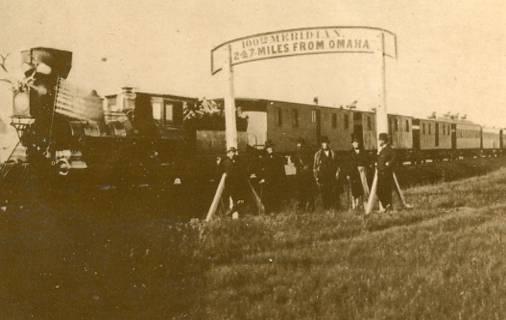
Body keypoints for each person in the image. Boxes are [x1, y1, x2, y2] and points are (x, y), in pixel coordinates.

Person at [313, 136, 340, 211]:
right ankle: (326, 209)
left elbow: (337, 165)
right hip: (322, 177)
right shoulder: (317, 154)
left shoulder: (333, 153)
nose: (324, 145)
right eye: (323, 143)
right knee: (324, 193)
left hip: (331, 176)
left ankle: (332, 208)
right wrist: (316, 177)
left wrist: (337, 173)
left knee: (332, 192)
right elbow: (315, 167)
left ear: (328, 143)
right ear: (321, 144)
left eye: (326, 143)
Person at [258, 140, 286, 213]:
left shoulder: (277, 157)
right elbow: (263, 169)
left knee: (274, 195)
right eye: (268, 148)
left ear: (272, 148)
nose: (269, 149)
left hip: (274, 180)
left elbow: (280, 170)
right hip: (269, 180)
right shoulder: (265, 158)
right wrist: (263, 178)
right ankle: (269, 210)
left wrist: (281, 179)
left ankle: (275, 210)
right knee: (268, 195)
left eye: (270, 147)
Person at [346, 136, 371, 210]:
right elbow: (347, 164)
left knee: (364, 190)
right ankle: (355, 206)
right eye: (354, 143)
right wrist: (348, 174)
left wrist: (364, 168)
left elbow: (367, 162)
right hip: (354, 174)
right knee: (355, 190)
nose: (355, 144)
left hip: (362, 174)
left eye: (356, 143)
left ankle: (365, 205)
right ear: (352, 144)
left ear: (359, 144)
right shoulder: (350, 153)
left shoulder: (363, 152)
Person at [221, 146, 247, 215]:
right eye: (230, 152)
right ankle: (227, 211)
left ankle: (234, 211)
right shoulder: (226, 161)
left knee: (236, 198)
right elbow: (224, 171)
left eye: (233, 152)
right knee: (226, 196)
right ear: (228, 153)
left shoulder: (235, 161)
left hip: (235, 183)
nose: (232, 154)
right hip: (229, 182)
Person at [292, 138, 315, 212]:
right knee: (303, 190)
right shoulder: (297, 152)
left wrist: (307, 166)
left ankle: (308, 206)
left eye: (299, 144)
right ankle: (304, 205)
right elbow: (294, 160)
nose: (298, 145)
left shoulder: (304, 151)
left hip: (305, 174)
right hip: (301, 174)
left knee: (306, 190)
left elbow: (311, 161)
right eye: (298, 144)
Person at [376, 132, 397, 212]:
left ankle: (387, 207)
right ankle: (386, 206)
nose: (379, 142)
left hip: (386, 173)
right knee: (379, 191)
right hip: (380, 173)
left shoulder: (389, 149)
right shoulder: (382, 150)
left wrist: (389, 164)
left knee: (386, 191)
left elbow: (394, 157)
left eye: (380, 140)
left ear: (384, 141)